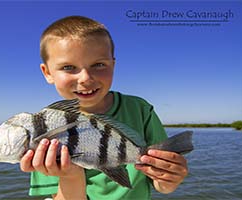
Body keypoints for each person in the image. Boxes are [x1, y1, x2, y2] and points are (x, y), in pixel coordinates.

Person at [20, 16, 189, 200]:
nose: (85, 78)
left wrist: (168, 179)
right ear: (47, 73)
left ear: (113, 65)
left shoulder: (140, 110)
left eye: (98, 65)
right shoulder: (44, 132)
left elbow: (162, 184)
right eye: (68, 67)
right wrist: (70, 174)